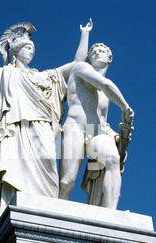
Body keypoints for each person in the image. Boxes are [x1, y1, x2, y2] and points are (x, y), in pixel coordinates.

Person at [0, 20, 93, 230]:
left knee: (49, 168)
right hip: (13, 130)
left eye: (33, 49)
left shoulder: (43, 76)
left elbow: (77, 65)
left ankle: (48, 215)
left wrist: (85, 34)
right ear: (15, 52)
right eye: (27, 47)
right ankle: (8, 213)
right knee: (12, 171)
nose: (31, 52)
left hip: (43, 128)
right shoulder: (3, 74)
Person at [59, 43, 134, 209]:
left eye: (102, 51)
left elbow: (102, 114)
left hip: (97, 130)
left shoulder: (107, 93)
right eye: (93, 51)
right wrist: (125, 107)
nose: (97, 53)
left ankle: (111, 215)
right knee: (66, 182)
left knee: (113, 160)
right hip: (75, 127)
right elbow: (105, 85)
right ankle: (57, 216)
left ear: (110, 58)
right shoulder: (80, 68)